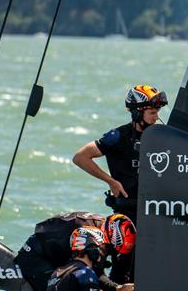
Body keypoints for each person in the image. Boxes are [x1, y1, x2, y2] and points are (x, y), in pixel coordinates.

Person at [72, 85, 169, 224]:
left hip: (157, 212)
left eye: (157, 112)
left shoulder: (161, 137)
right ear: (137, 113)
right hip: (127, 215)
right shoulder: (118, 136)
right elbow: (80, 157)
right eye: (153, 113)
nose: (157, 117)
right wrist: (111, 181)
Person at [15, 212, 136, 291]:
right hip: (35, 257)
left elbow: (94, 273)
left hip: (52, 252)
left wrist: (115, 289)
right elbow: (87, 275)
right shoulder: (89, 236)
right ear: (109, 238)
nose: (107, 252)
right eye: (110, 249)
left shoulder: (100, 227)